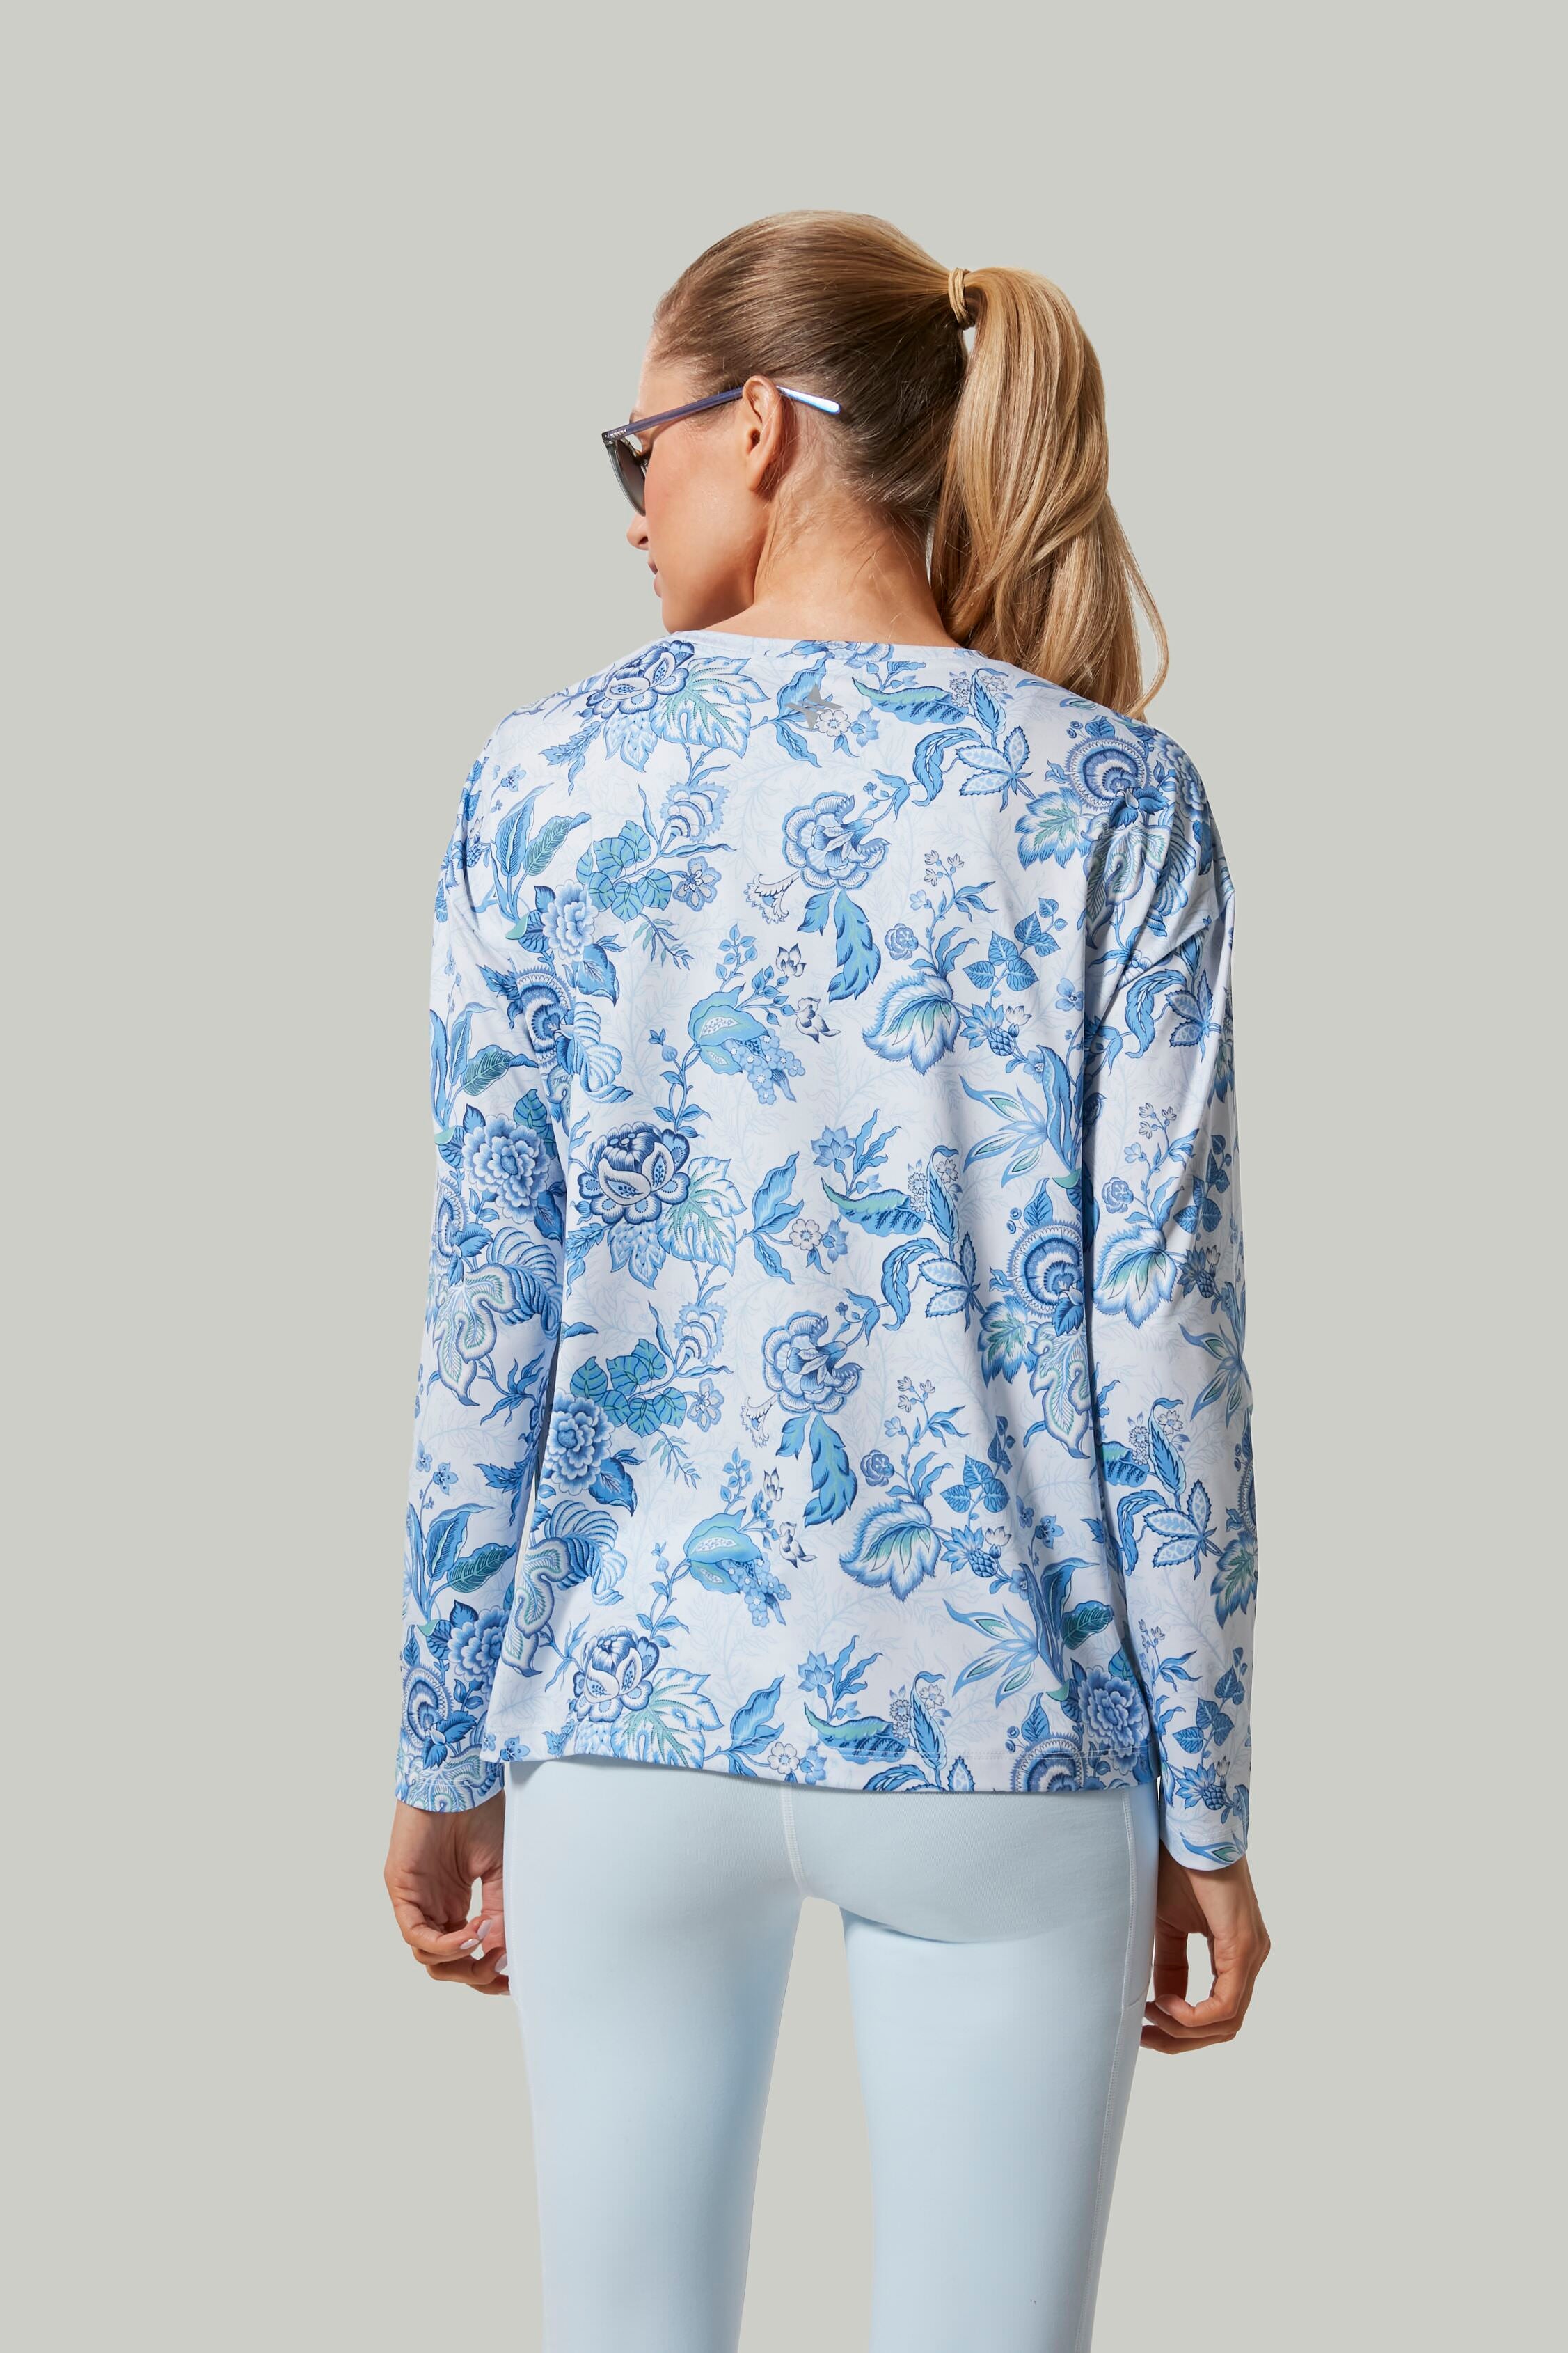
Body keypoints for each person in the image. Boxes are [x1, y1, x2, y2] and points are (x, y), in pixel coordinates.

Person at [384, 209, 1270, 2352]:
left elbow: (492, 1304)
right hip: (1012, 1734)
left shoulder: (543, 780)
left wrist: (441, 1745)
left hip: (621, 1716)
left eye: (642, 447)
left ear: (762, 427)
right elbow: (1167, 1343)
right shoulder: (1114, 801)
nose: (632, 510)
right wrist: (1210, 1795)